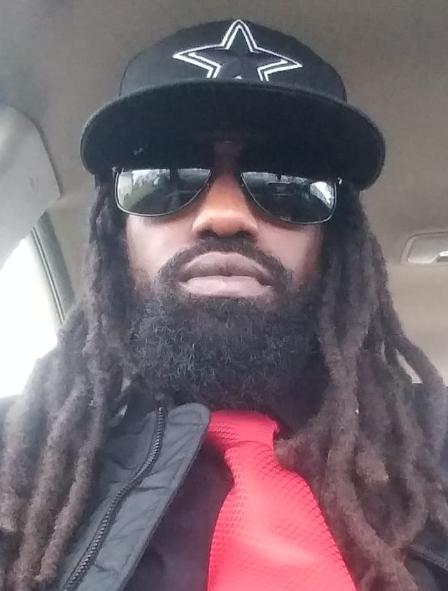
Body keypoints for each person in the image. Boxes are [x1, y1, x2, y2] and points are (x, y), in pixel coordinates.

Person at [0, 18, 446, 591]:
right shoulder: (20, 458)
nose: (225, 216)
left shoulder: (433, 450)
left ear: (332, 242)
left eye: (288, 182)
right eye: (164, 176)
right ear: (116, 233)